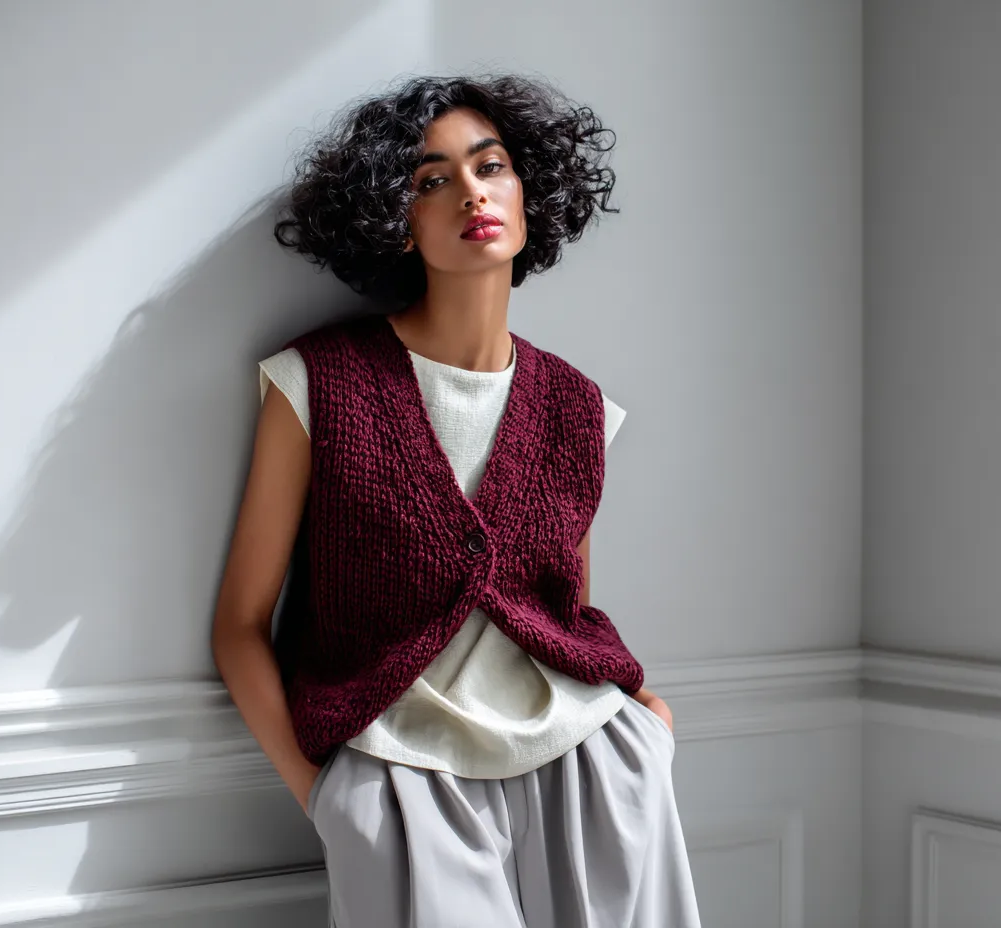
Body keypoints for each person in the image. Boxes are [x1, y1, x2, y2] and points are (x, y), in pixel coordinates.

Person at [210, 73, 702, 927]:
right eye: (431, 180)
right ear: (395, 220)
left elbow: (563, 610)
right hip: (402, 779)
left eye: (492, 166)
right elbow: (240, 626)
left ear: (527, 189)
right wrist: (325, 794)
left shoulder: (578, 407)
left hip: (592, 768)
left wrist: (644, 724)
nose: (471, 191)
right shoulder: (319, 384)